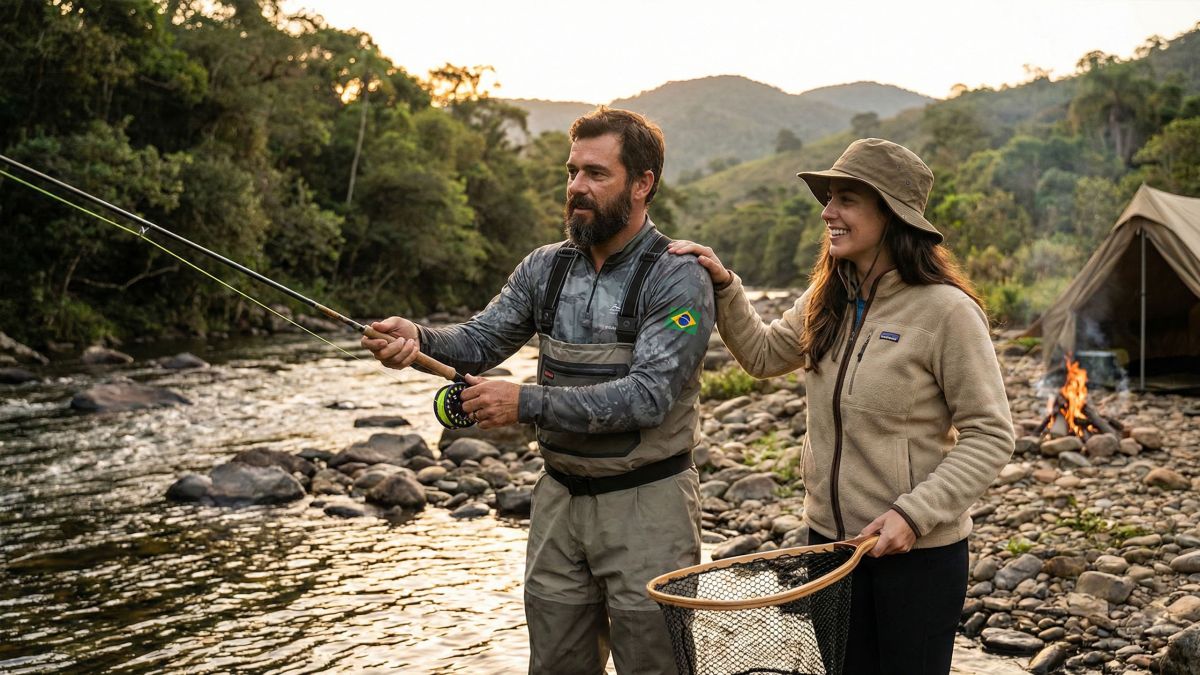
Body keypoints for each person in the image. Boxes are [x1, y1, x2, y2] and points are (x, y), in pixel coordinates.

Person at [362, 107, 714, 675]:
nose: (577, 187)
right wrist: (416, 337)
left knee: (657, 666)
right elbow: (477, 343)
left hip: (650, 508)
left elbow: (648, 397)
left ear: (643, 184)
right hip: (559, 507)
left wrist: (522, 403)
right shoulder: (544, 267)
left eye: (596, 174)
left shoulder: (679, 276)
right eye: (572, 171)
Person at [668, 138, 1014, 674]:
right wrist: (725, 286)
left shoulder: (948, 312)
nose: (828, 212)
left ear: (892, 215)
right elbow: (761, 355)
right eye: (828, 197)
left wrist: (913, 515)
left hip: (915, 557)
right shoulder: (826, 296)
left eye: (847, 199)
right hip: (830, 552)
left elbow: (991, 434)